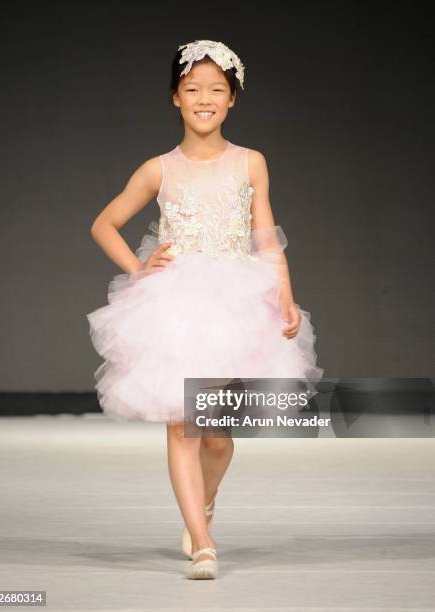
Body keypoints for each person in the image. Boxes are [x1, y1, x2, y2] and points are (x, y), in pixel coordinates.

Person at [86, 39, 324, 580]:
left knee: (215, 433)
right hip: (173, 305)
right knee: (181, 424)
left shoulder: (250, 162)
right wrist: (139, 268)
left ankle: (204, 504)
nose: (204, 98)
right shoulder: (159, 169)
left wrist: (285, 295)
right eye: (192, 89)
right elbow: (104, 223)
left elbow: (266, 236)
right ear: (175, 97)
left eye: (217, 89)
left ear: (233, 99)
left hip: (235, 302)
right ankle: (204, 542)